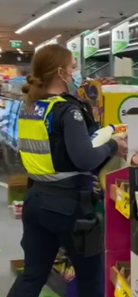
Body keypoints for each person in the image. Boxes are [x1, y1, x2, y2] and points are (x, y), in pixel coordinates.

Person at [7, 44, 127, 297]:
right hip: (69, 207)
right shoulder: (68, 110)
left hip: (36, 200)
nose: (77, 73)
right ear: (61, 72)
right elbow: (84, 159)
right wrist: (113, 145)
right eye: (73, 67)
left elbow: (53, 149)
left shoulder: (31, 107)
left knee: (33, 275)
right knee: (89, 279)